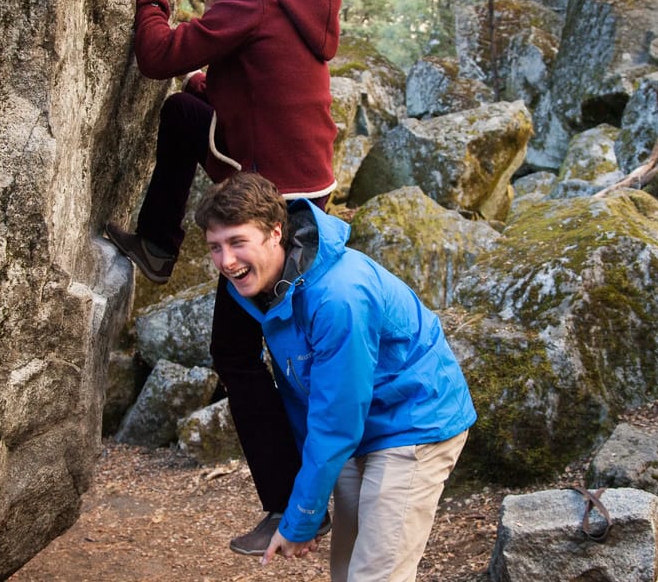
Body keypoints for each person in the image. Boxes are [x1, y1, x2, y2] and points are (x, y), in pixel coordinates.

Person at [105, 0, 343, 555]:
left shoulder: (252, 2)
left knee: (235, 353)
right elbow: (266, 80)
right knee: (187, 110)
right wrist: (209, 84)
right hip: (308, 184)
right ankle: (159, 246)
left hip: (274, 203)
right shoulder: (300, 2)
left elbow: (157, 55)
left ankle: (291, 508)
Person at [194, 172, 478, 582]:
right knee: (346, 571)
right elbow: (302, 395)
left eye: (237, 242)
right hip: (360, 423)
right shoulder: (269, 286)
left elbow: (335, 421)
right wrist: (300, 509)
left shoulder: (337, 296)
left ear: (276, 233)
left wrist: (300, 519)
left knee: (377, 575)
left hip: (413, 420)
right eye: (215, 248)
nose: (226, 262)